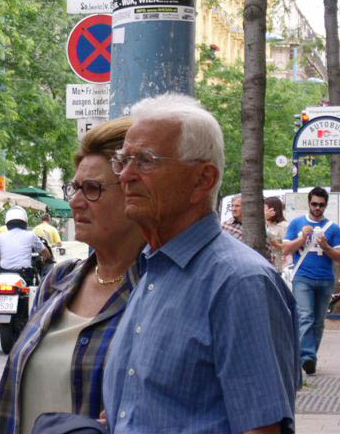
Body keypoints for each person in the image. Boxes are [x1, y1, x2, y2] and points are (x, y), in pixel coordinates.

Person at [103, 94, 299, 433]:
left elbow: (262, 428)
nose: (126, 175)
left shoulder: (240, 283)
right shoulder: (154, 270)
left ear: (202, 180)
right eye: (123, 160)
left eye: (145, 160)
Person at [0, 117, 146, 434]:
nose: (76, 202)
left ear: (134, 193)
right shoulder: (58, 280)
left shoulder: (158, 291)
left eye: (92, 189)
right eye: (74, 188)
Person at [283, 187, 340, 376]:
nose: (317, 208)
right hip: (303, 278)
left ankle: (309, 358)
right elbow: (286, 249)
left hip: (325, 279)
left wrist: (326, 246)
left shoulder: (333, 228)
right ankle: (307, 357)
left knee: (318, 322)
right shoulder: (297, 223)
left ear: (326, 206)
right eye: (314, 204)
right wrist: (302, 238)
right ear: (309, 203)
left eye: (321, 205)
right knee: (305, 317)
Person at [0, 206, 50, 285]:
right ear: (24, 222)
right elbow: (45, 252)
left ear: (7, 222)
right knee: (36, 288)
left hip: (4, 272)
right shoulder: (31, 235)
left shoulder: (0, 237)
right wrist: (45, 258)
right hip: (24, 274)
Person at [265, 196, 290, 273]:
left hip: (279, 265)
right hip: (265, 263)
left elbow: (288, 247)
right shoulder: (264, 224)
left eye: (265, 209)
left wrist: (275, 244)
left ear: (273, 210)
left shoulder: (284, 226)